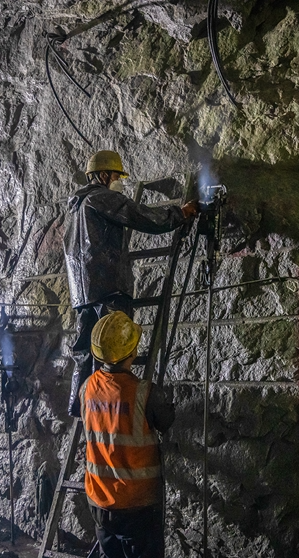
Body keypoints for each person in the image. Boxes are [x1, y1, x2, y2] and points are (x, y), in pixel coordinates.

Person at [64, 150, 197, 417]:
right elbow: (138, 215)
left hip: (83, 293)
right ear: (103, 175)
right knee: (114, 353)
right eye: (116, 175)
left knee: (85, 352)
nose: (119, 181)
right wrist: (178, 214)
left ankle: (80, 407)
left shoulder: (76, 207)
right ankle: (111, 413)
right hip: (109, 287)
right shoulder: (101, 197)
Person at [80, 311, 175, 558]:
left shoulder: (87, 388)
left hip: (100, 501)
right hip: (137, 503)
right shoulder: (144, 392)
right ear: (132, 350)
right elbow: (167, 420)